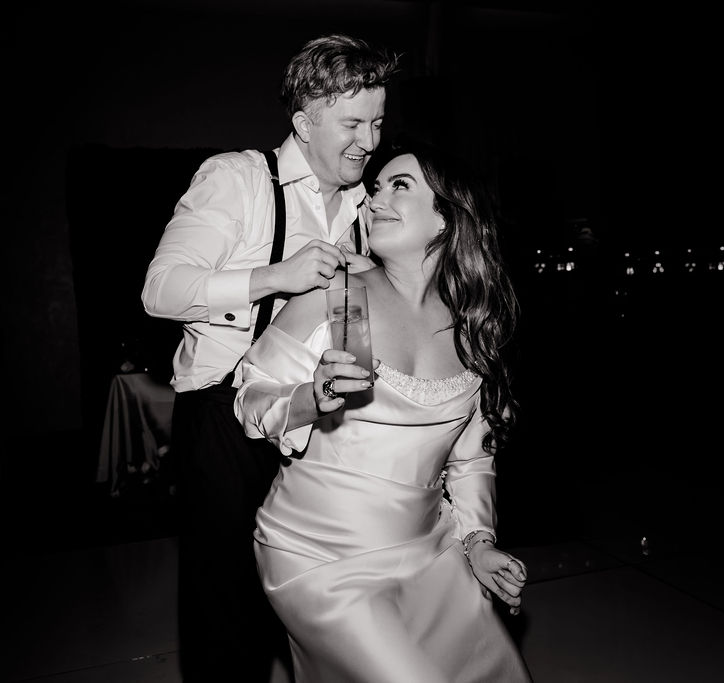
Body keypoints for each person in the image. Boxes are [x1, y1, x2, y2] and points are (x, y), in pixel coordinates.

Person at [140, 34, 399, 683]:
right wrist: (271, 276)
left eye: (377, 121)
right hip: (227, 423)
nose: (369, 140)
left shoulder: (371, 209)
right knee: (226, 615)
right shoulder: (239, 179)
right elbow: (159, 290)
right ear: (304, 119)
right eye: (352, 123)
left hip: (327, 426)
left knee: (324, 609)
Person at [234, 140, 532, 682]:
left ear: (447, 219)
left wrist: (479, 543)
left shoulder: (473, 327)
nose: (374, 199)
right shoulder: (339, 299)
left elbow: (470, 461)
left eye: (400, 186)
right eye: (375, 187)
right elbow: (249, 392)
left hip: (430, 552)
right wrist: (308, 399)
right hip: (316, 555)